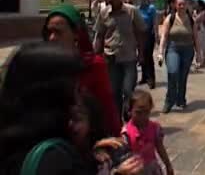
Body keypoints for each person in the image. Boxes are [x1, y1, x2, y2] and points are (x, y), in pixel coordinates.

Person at [0, 43, 143, 175]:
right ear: (52, 95)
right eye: (76, 89)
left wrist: (88, 151)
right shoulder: (53, 161)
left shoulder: (16, 144)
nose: (79, 99)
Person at [43, 4, 122, 136]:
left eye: (58, 32)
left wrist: (116, 139)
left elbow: (107, 108)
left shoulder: (93, 65)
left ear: (76, 34)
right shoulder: (42, 65)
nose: (52, 38)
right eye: (49, 32)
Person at [94, 0, 146, 122]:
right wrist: (96, 56)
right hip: (110, 57)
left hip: (129, 57)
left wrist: (141, 53)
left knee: (128, 90)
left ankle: (127, 113)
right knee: (114, 92)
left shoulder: (132, 11)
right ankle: (116, 120)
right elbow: (100, 35)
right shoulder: (104, 13)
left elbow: (140, 32)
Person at [157, 0, 198, 114]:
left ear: (187, 6)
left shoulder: (191, 20)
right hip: (173, 48)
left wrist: (198, 55)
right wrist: (160, 52)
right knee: (173, 72)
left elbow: (195, 37)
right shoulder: (170, 18)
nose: (182, 6)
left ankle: (181, 99)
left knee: (183, 76)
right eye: (179, 4)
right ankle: (169, 100)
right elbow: (164, 37)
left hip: (188, 49)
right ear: (175, 5)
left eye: (184, 4)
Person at [123, 89, 174, 175]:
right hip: (135, 170)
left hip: (152, 169)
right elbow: (124, 157)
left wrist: (168, 164)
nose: (143, 116)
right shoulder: (126, 132)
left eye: (146, 112)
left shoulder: (155, 128)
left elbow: (160, 147)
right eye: (138, 112)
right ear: (129, 112)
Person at [137, 0, 158, 89]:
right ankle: (144, 77)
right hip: (140, 35)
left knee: (148, 56)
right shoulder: (137, 9)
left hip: (149, 34)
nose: (140, 0)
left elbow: (155, 22)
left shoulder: (151, 8)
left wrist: (157, 34)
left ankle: (151, 79)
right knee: (142, 56)